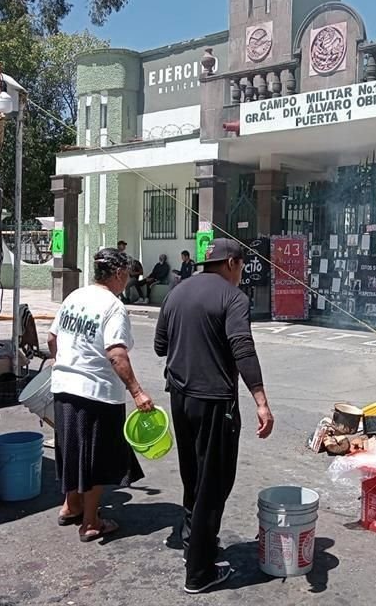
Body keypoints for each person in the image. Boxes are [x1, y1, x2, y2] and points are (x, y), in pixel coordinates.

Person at [154, 238, 275, 594]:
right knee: (215, 482)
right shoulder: (233, 297)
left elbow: (161, 346)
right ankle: (200, 572)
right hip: (214, 402)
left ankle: (194, 542)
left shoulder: (177, 290)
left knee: (193, 476)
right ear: (234, 264)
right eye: (241, 269)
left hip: (180, 396)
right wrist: (261, 400)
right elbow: (242, 346)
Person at [47, 247, 155, 543]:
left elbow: (52, 338)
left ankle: (71, 506)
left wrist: (63, 365)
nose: (128, 282)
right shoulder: (113, 305)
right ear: (119, 273)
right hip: (96, 393)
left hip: (64, 388)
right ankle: (91, 522)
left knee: (71, 450)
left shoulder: (74, 297)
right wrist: (137, 392)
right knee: (95, 459)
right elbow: (117, 354)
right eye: (128, 276)